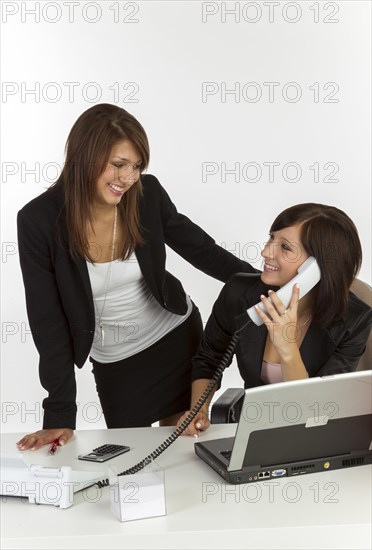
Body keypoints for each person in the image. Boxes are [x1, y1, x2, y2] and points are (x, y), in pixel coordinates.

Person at [16, 103, 256, 451]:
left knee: (182, 453)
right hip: (117, 365)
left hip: (176, 340)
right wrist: (59, 415)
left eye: (136, 166)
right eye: (118, 165)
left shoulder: (147, 195)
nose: (128, 178)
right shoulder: (38, 221)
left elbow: (202, 249)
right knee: (133, 464)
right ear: (84, 157)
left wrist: (263, 283)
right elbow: (47, 321)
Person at [177, 203, 372, 435]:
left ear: (318, 266)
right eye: (271, 239)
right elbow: (210, 359)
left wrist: (287, 348)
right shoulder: (239, 293)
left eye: (285, 247)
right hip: (254, 427)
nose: (266, 252)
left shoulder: (354, 321)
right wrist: (199, 409)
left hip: (315, 431)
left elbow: (315, 407)